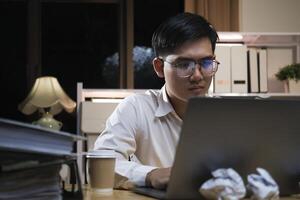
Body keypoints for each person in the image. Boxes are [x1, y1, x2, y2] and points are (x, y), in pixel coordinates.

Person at [94, 12, 219, 190]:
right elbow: (102, 162)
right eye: (184, 64)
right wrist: (150, 175)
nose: (197, 76)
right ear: (159, 67)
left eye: (206, 63)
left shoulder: (225, 115)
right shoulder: (137, 107)